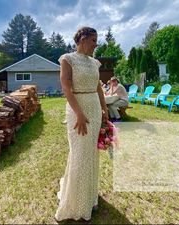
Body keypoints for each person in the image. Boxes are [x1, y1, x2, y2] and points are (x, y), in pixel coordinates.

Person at [55, 27, 109, 222]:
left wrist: (104, 109)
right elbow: (66, 88)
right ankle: (76, 201)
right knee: (79, 153)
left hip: (94, 108)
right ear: (83, 39)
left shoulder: (95, 63)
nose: (96, 44)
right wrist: (78, 113)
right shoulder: (67, 59)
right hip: (77, 109)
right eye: (94, 40)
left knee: (91, 153)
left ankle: (89, 196)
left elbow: (98, 88)